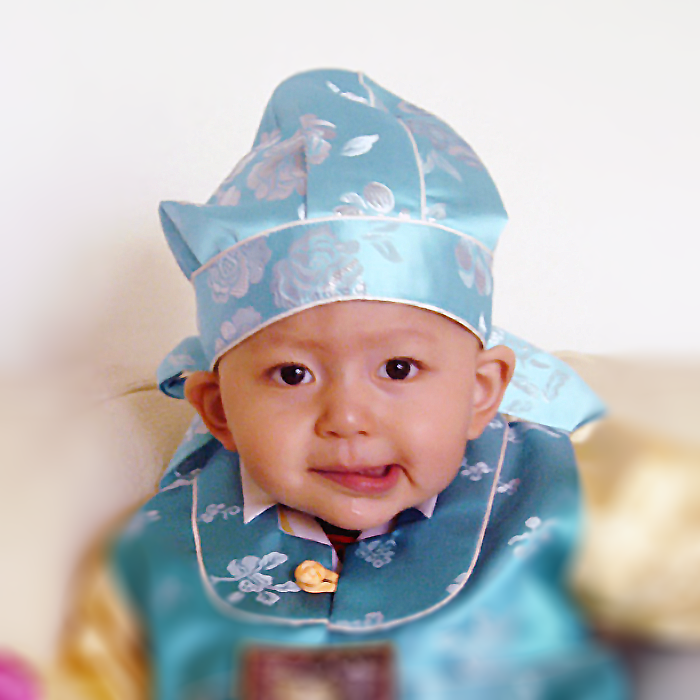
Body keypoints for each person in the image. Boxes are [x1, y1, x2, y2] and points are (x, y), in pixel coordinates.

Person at [58, 69, 629, 699]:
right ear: (219, 411)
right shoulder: (160, 549)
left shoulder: (574, 501)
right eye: (293, 374)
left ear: (480, 391)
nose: (347, 418)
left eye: (398, 369)